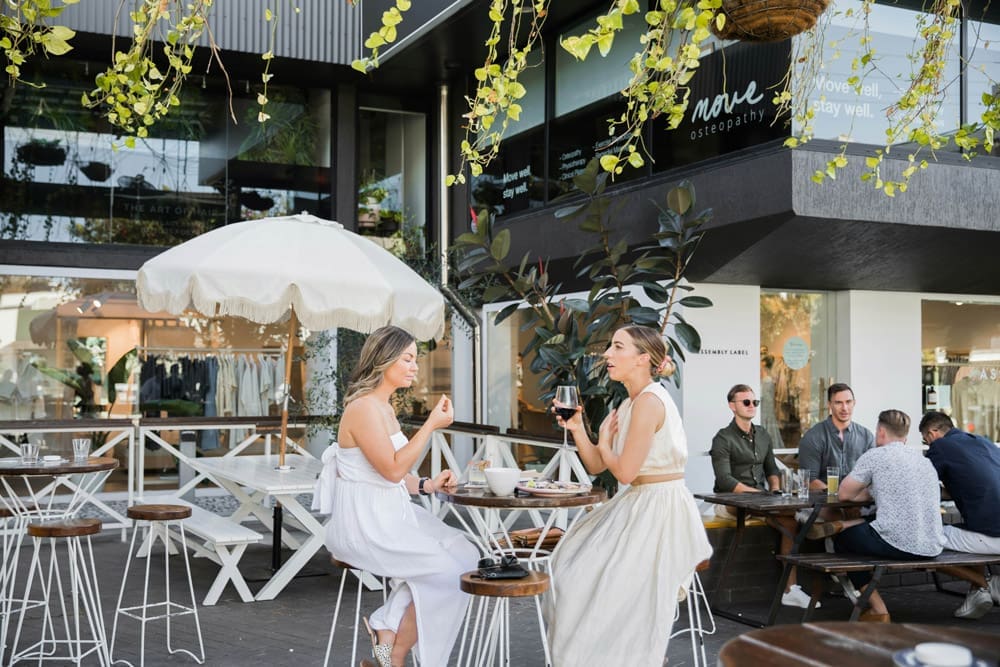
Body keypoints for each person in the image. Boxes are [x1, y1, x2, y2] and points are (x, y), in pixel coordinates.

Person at [546, 325, 712, 666]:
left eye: (617, 347)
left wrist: (605, 443)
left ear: (642, 359)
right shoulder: (629, 403)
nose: (607, 354)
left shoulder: (650, 402)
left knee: (588, 583)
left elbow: (623, 472)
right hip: (637, 503)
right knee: (568, 571)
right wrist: (578, 428)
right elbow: (595, 465)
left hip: (658, 510)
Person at [318, 326, 478, 667]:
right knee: (447, 574)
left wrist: (427, 486)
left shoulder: (384, 408)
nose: (415, 366)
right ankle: (394, 654)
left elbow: (389, 475)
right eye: (407, 358)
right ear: (384, 359)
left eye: (415, 360)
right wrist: (430, 426)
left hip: (391, 512)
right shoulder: (363, 409)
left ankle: (386, 627)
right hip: (365, 522)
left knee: (466, 555)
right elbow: (390, 471)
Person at [813, 409, 944, 622]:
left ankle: (877, 608)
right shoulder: (923, 461)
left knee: (844, 542)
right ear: (905, 435)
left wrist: (862, 492)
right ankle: (843, 524)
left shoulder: (875, 456)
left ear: (881, 431)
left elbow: (845, 493)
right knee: (879, 520)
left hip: (899, 544)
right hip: (932, 544)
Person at [710, 384, 818, 609]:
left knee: (790, 519)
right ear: (732, 406)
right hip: (730, 501)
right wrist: (759, 494)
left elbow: (772, 470)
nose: (752, 406)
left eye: (754, 402)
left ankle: (790, 590)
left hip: (762, 500)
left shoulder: (763, 435)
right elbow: (725, 481)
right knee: (788, 516)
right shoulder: (722, 438)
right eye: (746, 402)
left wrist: (776, 489)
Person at [920, 411, 1000, 619]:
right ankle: (978, 589)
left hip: (993, 535)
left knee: (927, 536)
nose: (928, 445)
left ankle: (985, 585)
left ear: (932, 433)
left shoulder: (940, 446)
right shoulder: (984, 442)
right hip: (988, 527)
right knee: (971, 527)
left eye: (925, 440)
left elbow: (921, 484)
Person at [799, 383, 875, 491]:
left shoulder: (867, 436)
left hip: (859, 502)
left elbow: (874, 474)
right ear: (829, 405)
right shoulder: (813, 437)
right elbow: (809, 480)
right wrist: (838, 496)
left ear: (854, 403)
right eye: (838, 403)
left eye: (848, 402)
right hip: (825, 502)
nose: (844, 408)